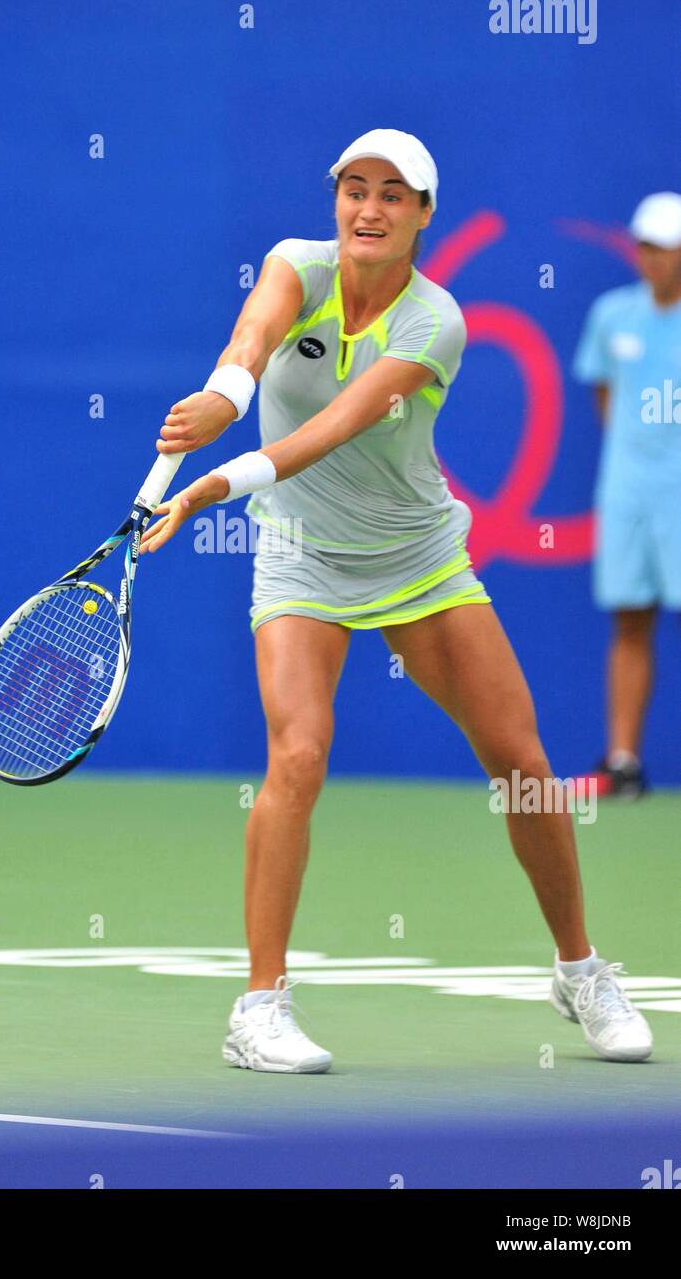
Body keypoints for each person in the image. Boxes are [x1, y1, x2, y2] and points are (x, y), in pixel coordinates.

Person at [140, 129, 653, 1070]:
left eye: (392, 196)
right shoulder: (296, 264)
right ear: (335, 199)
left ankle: (580, 969)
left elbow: (334, 427)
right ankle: (260, 1008)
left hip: (417, 558)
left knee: (522, 760)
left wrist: (214, 484)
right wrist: (226, 391)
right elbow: (252, 337)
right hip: (300, 558)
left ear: (424, 215)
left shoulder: (436, 321)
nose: (368, 210)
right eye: (354, 190)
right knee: (296, 753)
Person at [572, 192, 681, 799]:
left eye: (663, 248)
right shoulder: (612, 315)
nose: (651, 257)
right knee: (630, 621)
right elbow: (607, 400)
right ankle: (623, 763)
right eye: (644, 245)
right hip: (629, 493)